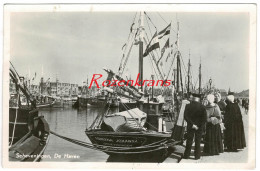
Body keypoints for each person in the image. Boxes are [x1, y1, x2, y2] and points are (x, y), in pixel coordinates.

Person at [183, 93, 207, 160]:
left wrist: (192, 124)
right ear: (199, 99)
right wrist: (198, 125)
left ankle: (186, 155)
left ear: (193, 98)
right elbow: (204, 119)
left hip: (190, 126)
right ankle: (197, 156)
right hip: (199, 127)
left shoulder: (188, 106)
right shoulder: (202, 107)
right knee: (198, 141)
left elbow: (185, 116)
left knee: (189, 141)